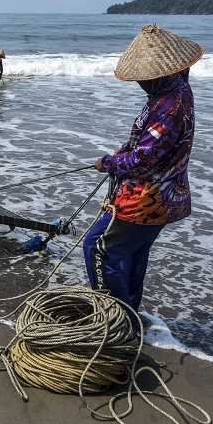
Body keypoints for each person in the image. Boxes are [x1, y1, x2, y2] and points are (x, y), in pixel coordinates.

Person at [83, 25, 200, 319]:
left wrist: (108, 163)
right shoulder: (180, 90)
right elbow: (151, 143)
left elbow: (144, 158)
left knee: (99, 247)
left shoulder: (168, 105)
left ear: (159, 74)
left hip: (144, 199)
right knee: (132, 254)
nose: (141, 83)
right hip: (165, 198)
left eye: (145, 77)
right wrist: (124, 149)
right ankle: (131, 318)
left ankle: (113, 321)